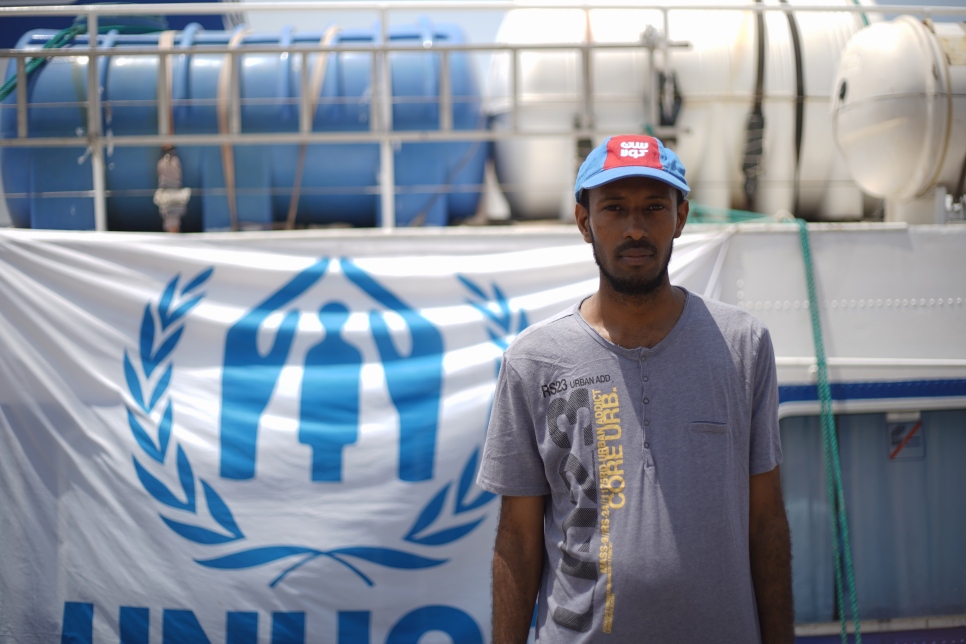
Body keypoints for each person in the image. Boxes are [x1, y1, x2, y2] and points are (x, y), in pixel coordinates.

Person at [477, 135, 793, 643]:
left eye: (653, 207)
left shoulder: (742, 345)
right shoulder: (534, 361)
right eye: (615, 209)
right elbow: (517, 539)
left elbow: (766, 522)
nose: (635, 229)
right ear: (585, 222)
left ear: (681, 216)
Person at [153, 145, 191, 233]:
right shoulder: (163, 163)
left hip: (170, 197)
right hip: (169, 198)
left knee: (172, 217)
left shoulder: (172, 162)